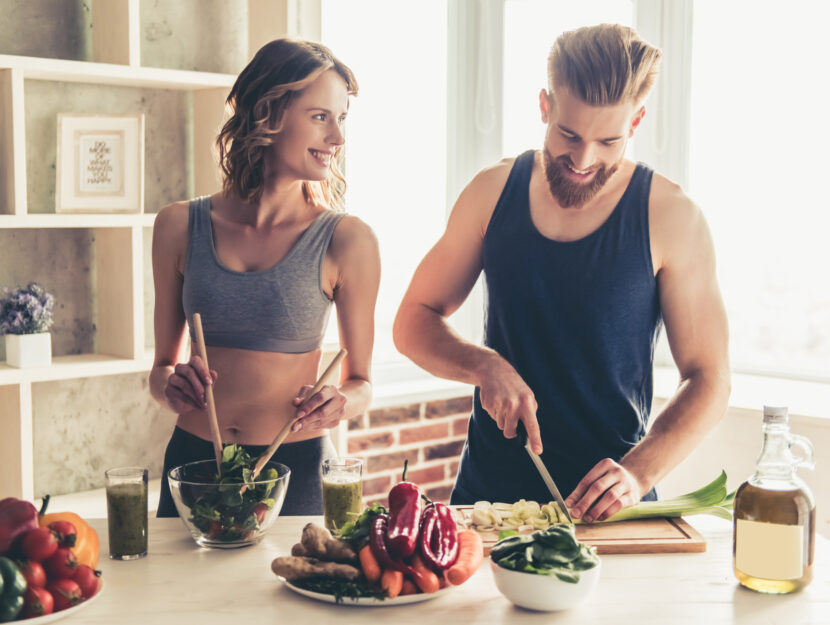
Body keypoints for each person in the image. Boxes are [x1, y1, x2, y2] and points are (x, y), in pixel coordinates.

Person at [393, 24, 730, 523]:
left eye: (607, 141)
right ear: (545, 106)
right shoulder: (490, 192)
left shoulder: (672, 216)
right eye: (568, 135)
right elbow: (412, 321)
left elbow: (710, 379)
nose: (583, 159)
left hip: (607, 511)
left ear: (635, 122)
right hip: (486, 503)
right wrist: (483, 365)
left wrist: (638, 473)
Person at [149, 38, 380, 517]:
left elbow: (361, 382)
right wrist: (171, 385)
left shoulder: (347, 240)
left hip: (294, 468)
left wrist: (340, 403)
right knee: (182, 596)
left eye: (342, 119)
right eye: (321, 117)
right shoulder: (177, 226)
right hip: (193, 465)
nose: (337, 138)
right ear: (267, 113)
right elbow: (160, 372)